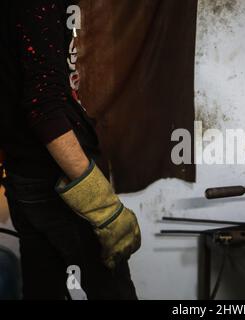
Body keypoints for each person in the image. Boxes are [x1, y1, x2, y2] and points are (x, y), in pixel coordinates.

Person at [0, 0, 141, 300]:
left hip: (22, 174)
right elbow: (43, 109)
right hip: (54, 179)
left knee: (42, 291)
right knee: (113, 293)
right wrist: (102, 206)